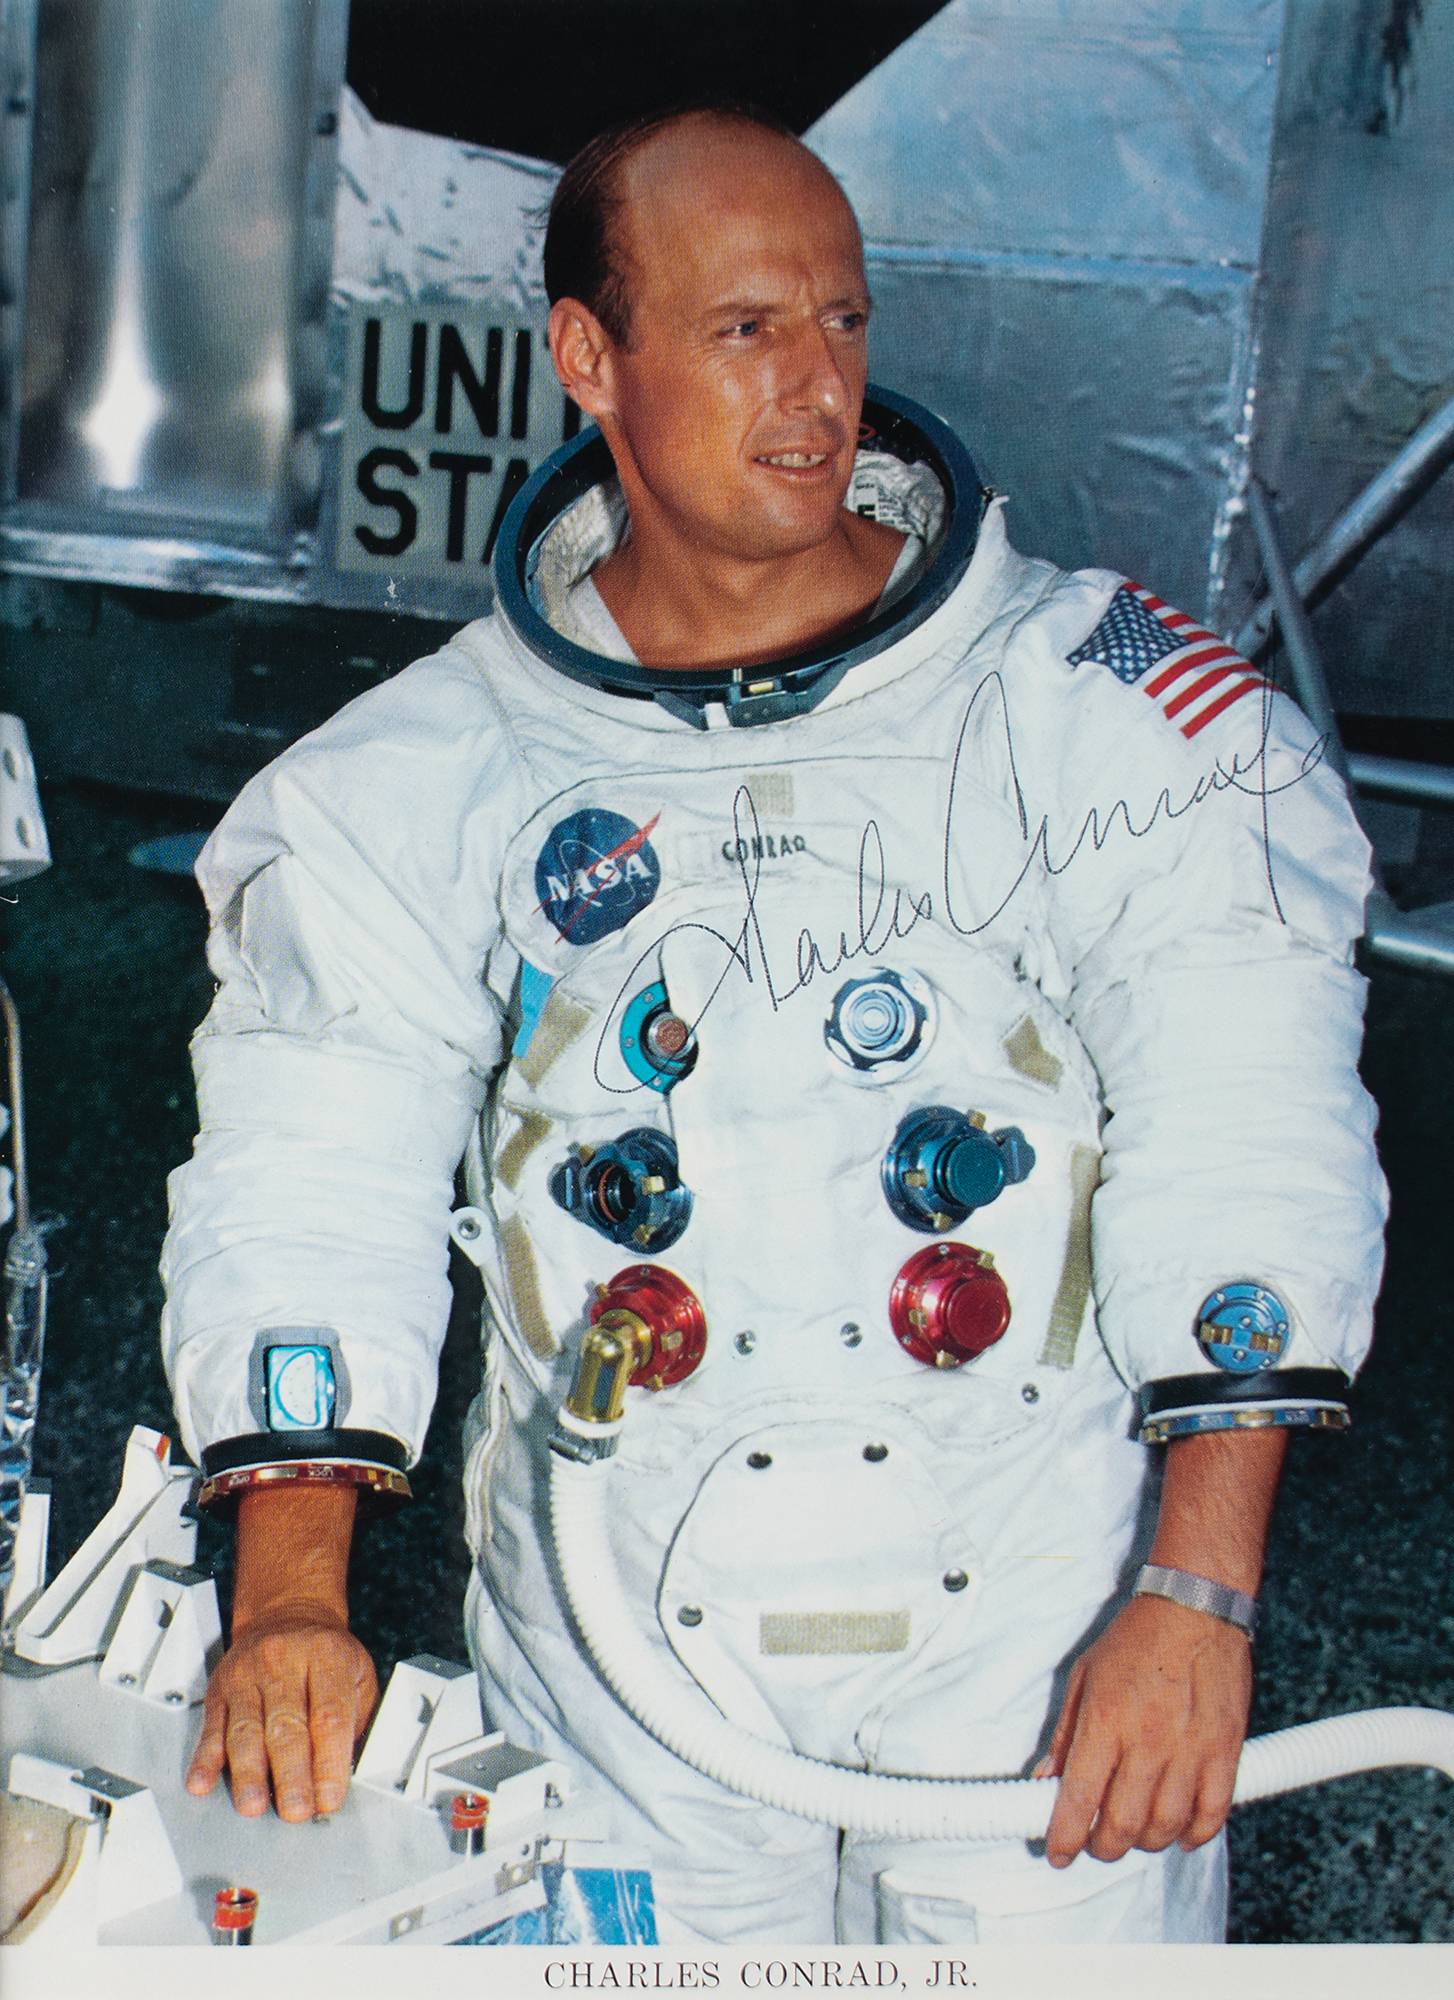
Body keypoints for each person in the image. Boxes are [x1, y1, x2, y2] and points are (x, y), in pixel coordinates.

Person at [161, 104, 1386, 1946]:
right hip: (622, 1670)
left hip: (1044, 1650)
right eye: (744, 329)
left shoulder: (1103, 707)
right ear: (591, 358)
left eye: (841, 321)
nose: (815, 390)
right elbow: (308, 1173)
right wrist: (287, 1603)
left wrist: (1197, 1600)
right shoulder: (414, 780)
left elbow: (1249, 1129)